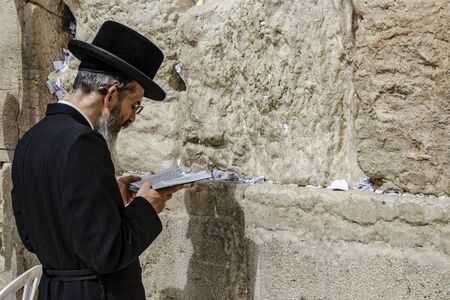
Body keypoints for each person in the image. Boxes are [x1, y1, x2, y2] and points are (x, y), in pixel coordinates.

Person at [11, 20, 183, 299]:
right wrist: (147, 205)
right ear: (111, 95)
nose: (133, 117)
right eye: (134, 104)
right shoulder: (84, 143)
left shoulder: (30, 141)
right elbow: (107, 253)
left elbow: (32, 236)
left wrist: (108, 200)